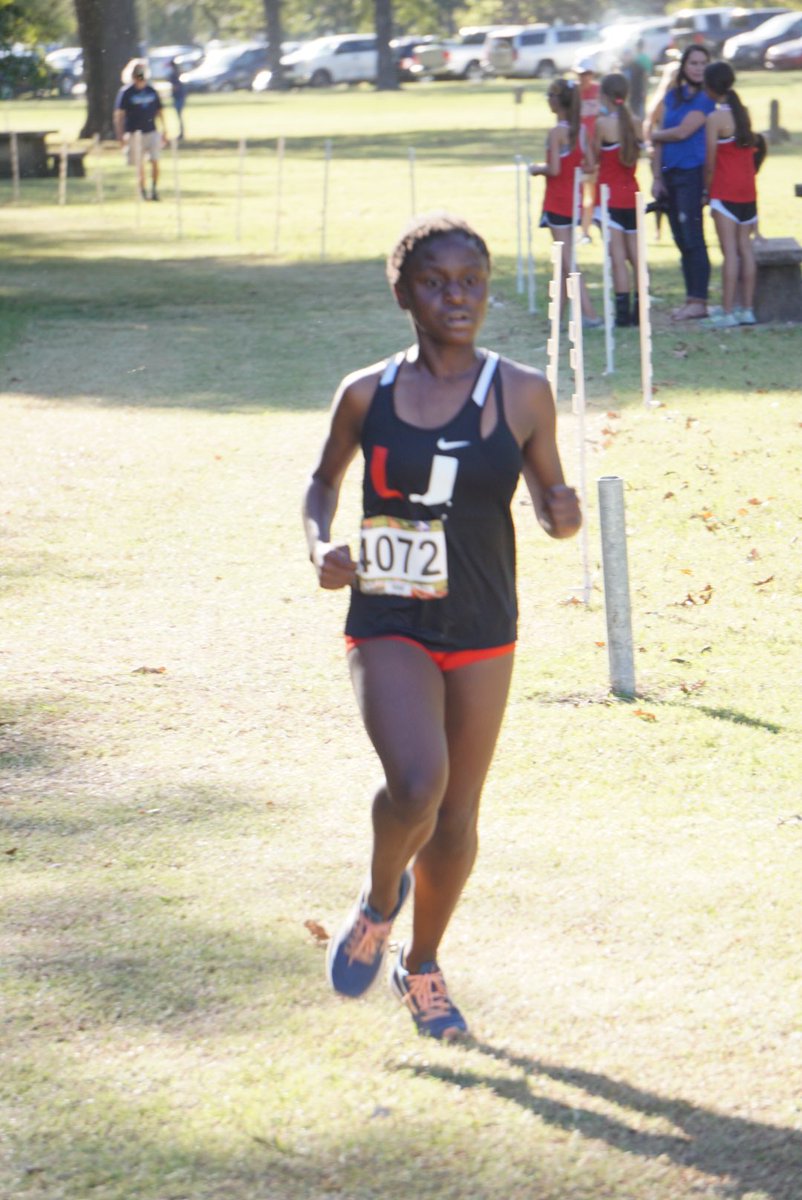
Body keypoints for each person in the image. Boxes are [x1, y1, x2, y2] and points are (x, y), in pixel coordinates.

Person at [302, 214, 581, 1040]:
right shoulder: (366, 392)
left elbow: (552, 509)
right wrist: (321, 543)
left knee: (457, 816)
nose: (456, 298)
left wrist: (562, 517)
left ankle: (420, 964)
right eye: (435, 282)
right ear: (403, 293)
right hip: (389, 614)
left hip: (484, 619)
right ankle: (381, 895)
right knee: (418, 783)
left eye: (471, 282)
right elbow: (322, 484)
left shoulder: (524, 391)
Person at [648, 45, 715, 321]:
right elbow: (659, 134)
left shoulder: (707, 99)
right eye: (693, 63)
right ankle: (690, 298)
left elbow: (682, 132)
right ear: (684, 66)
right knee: (679, 237)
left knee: (693, 236)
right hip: (670, 174)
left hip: (692, 174)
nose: (698, 68)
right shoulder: (673, 97)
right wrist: (656, 176)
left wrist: (656, 135)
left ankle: (699, 299)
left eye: (703, 63)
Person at [529, 78, 601, 327]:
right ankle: (557, 316)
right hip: (575, 201)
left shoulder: (557, 132)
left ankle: (589, 314)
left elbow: (555, 169)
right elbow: (591, 165)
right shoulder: (580, 130)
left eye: (550, 96)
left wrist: (537, 169)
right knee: (563, 260)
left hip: (557, 201)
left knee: (568, 260)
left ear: (557, 101)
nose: (548, 100)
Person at [703, 60, 764, 328]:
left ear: (709, 87)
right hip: (747, 192)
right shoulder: (743, 113)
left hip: (724, 191)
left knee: (729, 253)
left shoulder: (714, 118)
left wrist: (706, 192)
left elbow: (710, 162)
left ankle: (727, 312)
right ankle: (746, 309)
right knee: (745, 250)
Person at [591, 73, 643, 327]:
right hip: (632, 194)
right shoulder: (635, 122)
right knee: (636, 257)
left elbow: (593, 159)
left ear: (605, 96)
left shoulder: (603, 124)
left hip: (609, 196)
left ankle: (623, 316)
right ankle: (640, 311)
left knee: (618, 257)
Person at [113, 60, 168, 201]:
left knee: (155, 160)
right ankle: (143, 191)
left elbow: (160, 110)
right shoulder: (126, 92)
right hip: (134, 133)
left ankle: (154, 189)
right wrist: (120, 135)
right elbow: (119, 115)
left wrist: (165, 129)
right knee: (140, 164)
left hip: (151, 131)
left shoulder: (151, 90)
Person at [576, 60, 600, 243]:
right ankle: (583, 231)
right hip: (579, 149)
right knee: (581, 191)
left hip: (597, 148)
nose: (584, 78)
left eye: (587, 74)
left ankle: (595, 226)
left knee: (596, 191)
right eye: (581, 74)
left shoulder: (599, 91)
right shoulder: (573, 94)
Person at [168, 58, 187, 141]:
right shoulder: (179, 73)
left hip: (177, 97)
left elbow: (175, 87)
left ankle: (181, 133)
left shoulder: (173, 75)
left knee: (179, 116)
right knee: (179, 116)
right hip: (181, 96)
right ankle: (181, 133)